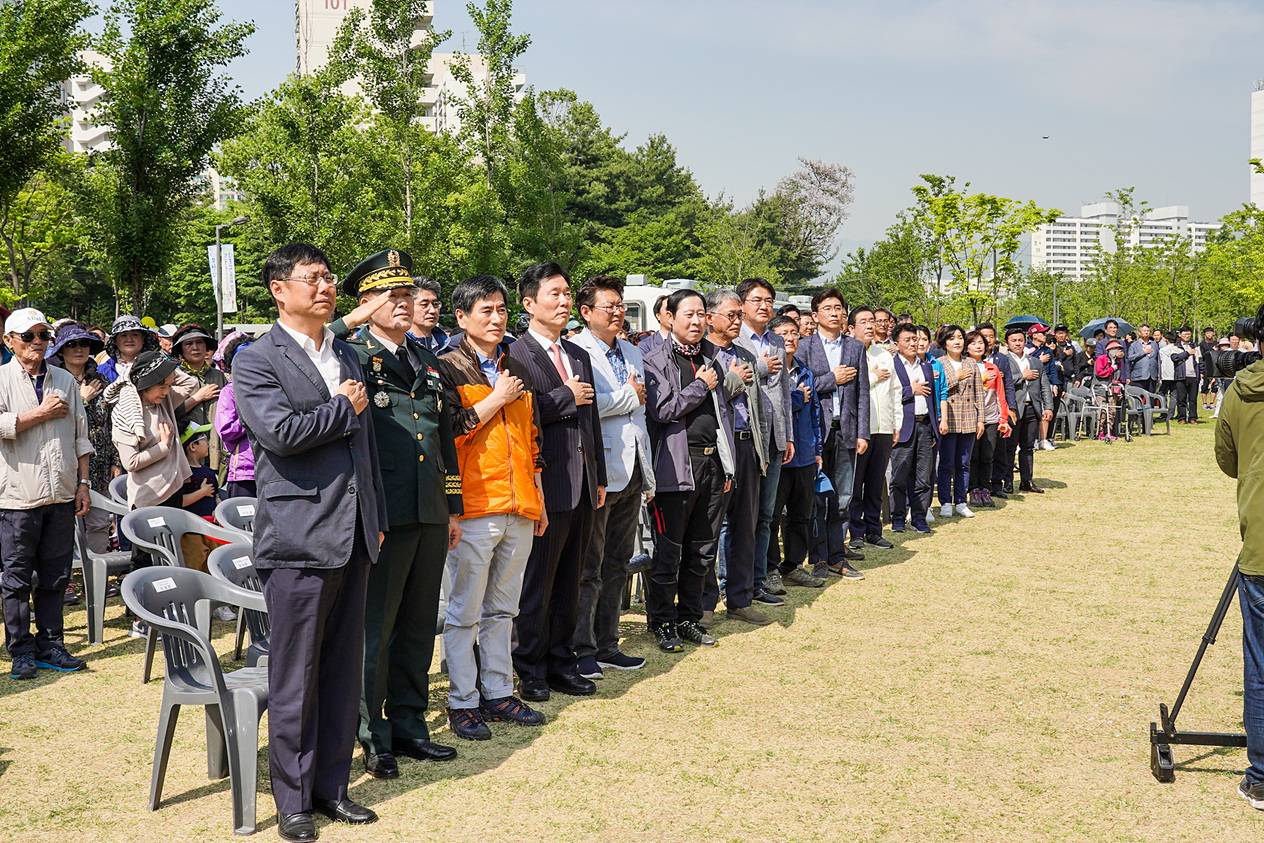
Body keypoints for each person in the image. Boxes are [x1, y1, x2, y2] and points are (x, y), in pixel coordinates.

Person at [232, 242, 388, 838]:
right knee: (294, 676)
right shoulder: (256, 358)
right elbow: (280, 433)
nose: (325, 287)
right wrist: (340, 407)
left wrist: (373, 512)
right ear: (279, 288)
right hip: (298, 536)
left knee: (342, 670)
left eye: (328, 277)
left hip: (354, 533)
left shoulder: (345, 351)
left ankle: (331, 787)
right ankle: (292, 802)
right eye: (312, 278)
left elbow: (364, 446)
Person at [330, 250, 464, 778]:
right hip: (383, 513)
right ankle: (373, 733)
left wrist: (452, 507)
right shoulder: (350, 354)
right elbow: (311, 347)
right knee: (375, 631)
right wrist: (350, 322)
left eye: (408, 297)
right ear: (366, 304)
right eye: (392, 297)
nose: (405, 305)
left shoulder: (426, 358)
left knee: (415, 626)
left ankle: (410, 726)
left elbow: (443, 440)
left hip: (429, 510)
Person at [438, 274, 548, 743]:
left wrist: (538, 498)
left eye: (501, 309)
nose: (497, 318)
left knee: (503, 609)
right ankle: (462, 700)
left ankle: (498, 691)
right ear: (461, 318)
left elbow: (532, 440)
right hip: (475, 507)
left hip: (520, 502)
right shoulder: (445, 367)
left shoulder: (513, 363)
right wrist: (496, 400)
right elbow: (447, 434)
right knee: (464, 611)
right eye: (486, 310)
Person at [507, 262, 607, 702]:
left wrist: (598, 475)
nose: (564, 302)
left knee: (571, 578)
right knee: (538, 583)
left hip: (583, 482)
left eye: (567, 294)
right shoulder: (516, 354)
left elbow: (593, 423)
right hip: (545, 485)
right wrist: (565, 397)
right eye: (554, 294)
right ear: (529, 303)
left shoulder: (579, 354)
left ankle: (563, 661)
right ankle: (529, 667)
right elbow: (522, 414)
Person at [0, 308, 92, 680]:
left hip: (62, 492)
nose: (38, 342)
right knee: (17, 579)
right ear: (9, 341)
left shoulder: (65, 380)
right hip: (18, 496)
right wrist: (38, 414)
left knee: (55, 574)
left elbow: (80, 435)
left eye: (43, 335)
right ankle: (20, 649)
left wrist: (84, 484)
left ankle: (51, 643)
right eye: (28, 336)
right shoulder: (2, 379)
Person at [570, 276, 654, 676]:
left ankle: (608, 642)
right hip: (600, 471)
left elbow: (641, 416)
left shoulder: (633, 352)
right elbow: (584, 404)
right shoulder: (576, 351)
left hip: (633, 469)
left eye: (621, 305)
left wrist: (647, 473)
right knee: (589, 565)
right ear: (586, 313)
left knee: (618, 563)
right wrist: (626, 398)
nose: (619, 312)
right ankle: (582, 648)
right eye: (610, 306)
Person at [641, 289, 734, 651]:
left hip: (713, 463)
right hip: (675, 467)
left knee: (702, 551)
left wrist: (728, 466)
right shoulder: (655, 359)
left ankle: (690, 618)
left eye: (700, 315)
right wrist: (701, 386)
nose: (695, 322)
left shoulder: (714, 357)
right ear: (670, 318)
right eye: (688, 315)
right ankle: (662, 621)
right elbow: (663, 409)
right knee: (669, 551)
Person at [1211, 344, 1264, 812]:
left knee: (1261, 663)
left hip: (1261, 542)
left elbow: (1227, 461)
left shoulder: (1240, 389)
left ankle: (1262, 777)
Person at [704, 289, 770, 625]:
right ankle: (703, 604)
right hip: (717, 450)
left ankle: (740, 598)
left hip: (747, 446)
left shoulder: (745, 353)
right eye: (730, 315)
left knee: (746, 526)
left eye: (738, 316)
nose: (736, 321)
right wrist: (732, 380)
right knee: (710, 530)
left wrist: (761, 449)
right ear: (709, 316)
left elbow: (757, 407)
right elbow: (707, 399)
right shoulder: (701, 354)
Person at [801, 289, 868, 580]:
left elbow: (863, 393)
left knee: (842, 498)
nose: (835, 312)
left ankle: (837, 558)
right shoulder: (804, 347)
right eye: (827, 308)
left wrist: (862, 432)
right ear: (815, 315)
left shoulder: (855, 348)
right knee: (817, 499)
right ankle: (817, 558)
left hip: (847, 431)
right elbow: (801, 387)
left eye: (839, 307)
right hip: (816, 432)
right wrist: (832, 379)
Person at [734, 278, 793, 602]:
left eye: (769, 300)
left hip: (774, 438)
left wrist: (788, 436)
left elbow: (784, 393)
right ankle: (733, 582)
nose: (764, 306)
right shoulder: (734, 336)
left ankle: (758, 582)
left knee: (766, 516)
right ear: (742, 304)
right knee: (739, 517)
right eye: (757, 300)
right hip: (745, 440)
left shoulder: (776, 341)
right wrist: (759, 365)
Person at [48, 322, 119, 559]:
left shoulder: (102, 380)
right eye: (72, 344)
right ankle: (67, 575)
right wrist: (83, 399)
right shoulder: (52, 381)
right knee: (63, 526)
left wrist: (116, 460)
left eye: (84, 343)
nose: (79, 349)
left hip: (101, 462)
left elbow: (113, 423)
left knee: (99, 521)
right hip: (66, 462)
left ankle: (96, 572)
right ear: (60, 350)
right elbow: (57, 421)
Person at [766, 315, 826, 587]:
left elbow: (815, 414)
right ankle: (770, 569)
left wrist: (817, 449)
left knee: (802, 515)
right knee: (771, 517)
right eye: (784, 333)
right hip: (778, 455)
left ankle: (793, 566)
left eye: (794, 333)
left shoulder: (805, 371)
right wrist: (797, 397)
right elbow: (773, 408)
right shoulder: (770, 369)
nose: (790, 338)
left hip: (804, 455)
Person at [848, 306, 900, 548]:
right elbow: (848, 390)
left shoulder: (884, 354)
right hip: (860, 429)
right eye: (864, 322)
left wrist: (896, 423)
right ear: (851, 328)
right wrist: (871, 377)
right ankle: (855, 532)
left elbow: (895, 391)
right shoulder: (847, 354)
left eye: (872, 321)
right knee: (855, 483)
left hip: (883, 427)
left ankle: (873, 529)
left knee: (876, 481)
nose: (870, 326)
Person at [889, 323, 938, 534]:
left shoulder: (926, 366)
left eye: (915, 339)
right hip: (902, 427)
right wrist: (911, 390)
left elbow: (933, 398)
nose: (913, 343)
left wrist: (934, 428)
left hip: (925, 426)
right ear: (896, 344)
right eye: (907, 340)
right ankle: (898, 517)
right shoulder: (891, 365)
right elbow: (887, 397)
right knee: (899, 476)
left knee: (923, 476)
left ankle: (919, 517)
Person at [934, 325, 983, 519]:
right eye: (952, 338)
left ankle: (961, 500)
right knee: (946, 463)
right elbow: (939, 390)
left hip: (969, 419)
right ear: (944, 342)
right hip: (949, 419)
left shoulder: (971, 363)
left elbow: (979, 392)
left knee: (964, 463)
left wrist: (981, 420)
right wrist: (956, 377)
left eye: (960, 338)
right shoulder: (938, 363)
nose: (957, 342)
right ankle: (945, 501)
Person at [997, 326, 1052, 495]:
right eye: (1013, 341)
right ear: (1007, 343)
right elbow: (1002, 381)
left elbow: (1044, 385)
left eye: (1020, 340)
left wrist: (1048, 406)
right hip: (1013, 409)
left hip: (1032, 408)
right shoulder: (1003, 360)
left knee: (1028, 447)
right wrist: (1022, 376)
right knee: (1010, 447)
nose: (1017, 343)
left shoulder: (1035, 361)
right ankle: (1007, 482)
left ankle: (1027, 480)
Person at [176, 421, 226, 590]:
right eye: (205, 439)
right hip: (190, 529)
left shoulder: (210, 472)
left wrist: (219, 510)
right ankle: (194, 594)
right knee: (195, 561)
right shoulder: (182, 473)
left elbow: (217, 496)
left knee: (216, 562)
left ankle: (218, 599)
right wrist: (202, 493)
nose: (209, 443)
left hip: (212, 527)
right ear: (192, 446)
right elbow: (180, 501)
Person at [171, 323, 226, 468]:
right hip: (187, 450)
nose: (195, 347)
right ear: (181, 349)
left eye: (200, 342)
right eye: (188, 343)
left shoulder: (219, 376)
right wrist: (197, 398)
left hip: (217, 448)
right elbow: (168, 413)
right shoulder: (173, 377)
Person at [967, 330, 1009, 508]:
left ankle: (985, 488)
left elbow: (1000, 394)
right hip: (969, 418)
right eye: (974, 343)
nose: (978, 346)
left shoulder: (993, 368)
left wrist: (1003, 418)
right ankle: (973, 490)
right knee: (972, 456)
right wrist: (981, 379)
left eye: (981, 343)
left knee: (987, 455)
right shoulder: (964, 367)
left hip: (991, 417)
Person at [213, 333, 258, 499]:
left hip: (272, 470)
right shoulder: (230, 392)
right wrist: (253, 417)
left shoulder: (270, 388)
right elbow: (226, 430)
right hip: (244, 472)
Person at [1027, 325, 1060, 451]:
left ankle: (1043, 439)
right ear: (1034, 335)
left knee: (1045, 411)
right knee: (1033, 413)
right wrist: (1038, 360)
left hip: (1045, 384)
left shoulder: (1048, 350)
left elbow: (1052, 369)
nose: (1045, 335)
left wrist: (1055, 385)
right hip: (1031, 385)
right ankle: (1033, 440)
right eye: (1042, 333)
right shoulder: (1027, 349)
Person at [98, 315, 158, 383]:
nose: (129, 340)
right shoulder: (101, 371)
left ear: (143, 339)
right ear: (115, 341)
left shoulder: (157, 367)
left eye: (135, 335)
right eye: (124, 335)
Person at [407, 276, 451, 354]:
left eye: (435, 304)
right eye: (424, 304)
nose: (432, 310)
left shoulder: (447, 348)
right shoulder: (401, 347)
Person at [1093, 340, 1126, 441]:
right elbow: (1099, 373)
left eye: (1118, 349)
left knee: (1112, 411)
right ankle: (1100, 432)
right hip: (1100, 388)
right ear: (1109, 350)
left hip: (1113, 389)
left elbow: (1118, 376)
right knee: (1102, 411)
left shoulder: (1118, 361)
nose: (1117, 351)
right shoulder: (1101, 359)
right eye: (1115, 349)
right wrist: (1111, 368)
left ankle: (1109, 431)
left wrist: (1119, 388)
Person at [1171, 326, 1200, 424]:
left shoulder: (1195, 346)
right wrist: (1187, 353)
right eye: (1185, 334)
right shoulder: (1176, 346)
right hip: (1181, 375)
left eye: (1188, 334)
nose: (1187, 336)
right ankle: (1182, 417)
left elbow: (1200, 361)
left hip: (1193, 375)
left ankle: (1192, 418)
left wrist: (1201, 373)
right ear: (1180, 335)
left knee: (1193, 399)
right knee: (1181, 398)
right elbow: (1174, 358)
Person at [1128, 325, 1161, 394]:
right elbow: (1130, 358)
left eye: (1148, 331)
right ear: (1139, 333)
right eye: (1144, 331)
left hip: (1152, 376)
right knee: (1139, 398)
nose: (1146, 333)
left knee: (1151, 397)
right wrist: (1143, 352)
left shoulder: (1154, 344)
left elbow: (1158, 359)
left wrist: (1159, 374)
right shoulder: (1134, 345)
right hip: (1139, 376)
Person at [1200, 326, 1218, 409]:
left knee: (1214, 385)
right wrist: (1201, 370)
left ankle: (1212, 403)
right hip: (1206, 366)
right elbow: (1201, 357)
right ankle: (1204, 403)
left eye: (1210, 333)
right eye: (1207, 333)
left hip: (1215, 366)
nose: (1209, 335)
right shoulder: (1202, 344)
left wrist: (1216, 351)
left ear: (1213, 333)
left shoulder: (1216, 344)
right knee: (1205, 384)